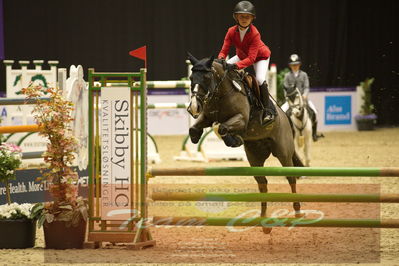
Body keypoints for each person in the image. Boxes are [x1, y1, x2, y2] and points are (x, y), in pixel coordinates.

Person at [217, 0, 276, 125]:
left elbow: (251, 59)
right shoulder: (231, 31)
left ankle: (267, 110)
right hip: (241, 55)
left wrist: (235, 66)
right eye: (241, 16)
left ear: (252, 19)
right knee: (222, 69)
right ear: (236, 17)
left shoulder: (255, 34)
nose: (244, 19)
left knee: (259, 79)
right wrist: (221, 59)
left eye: (247, 17)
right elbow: (224, 50)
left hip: (260, 57)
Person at [281, 54, 319, 141]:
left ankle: (314, 134)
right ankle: (284, 133)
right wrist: (287, 97)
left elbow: (306, 87)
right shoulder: (287, 76)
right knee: (282, 112)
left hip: (303, 99)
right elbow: (285, 88)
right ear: (290, 66)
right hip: (291, 100)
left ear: (299, 65)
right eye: (293, 65)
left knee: (315, 112)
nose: (295, 66)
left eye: (296, 64)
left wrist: (305, 95)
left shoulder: (304, 75)